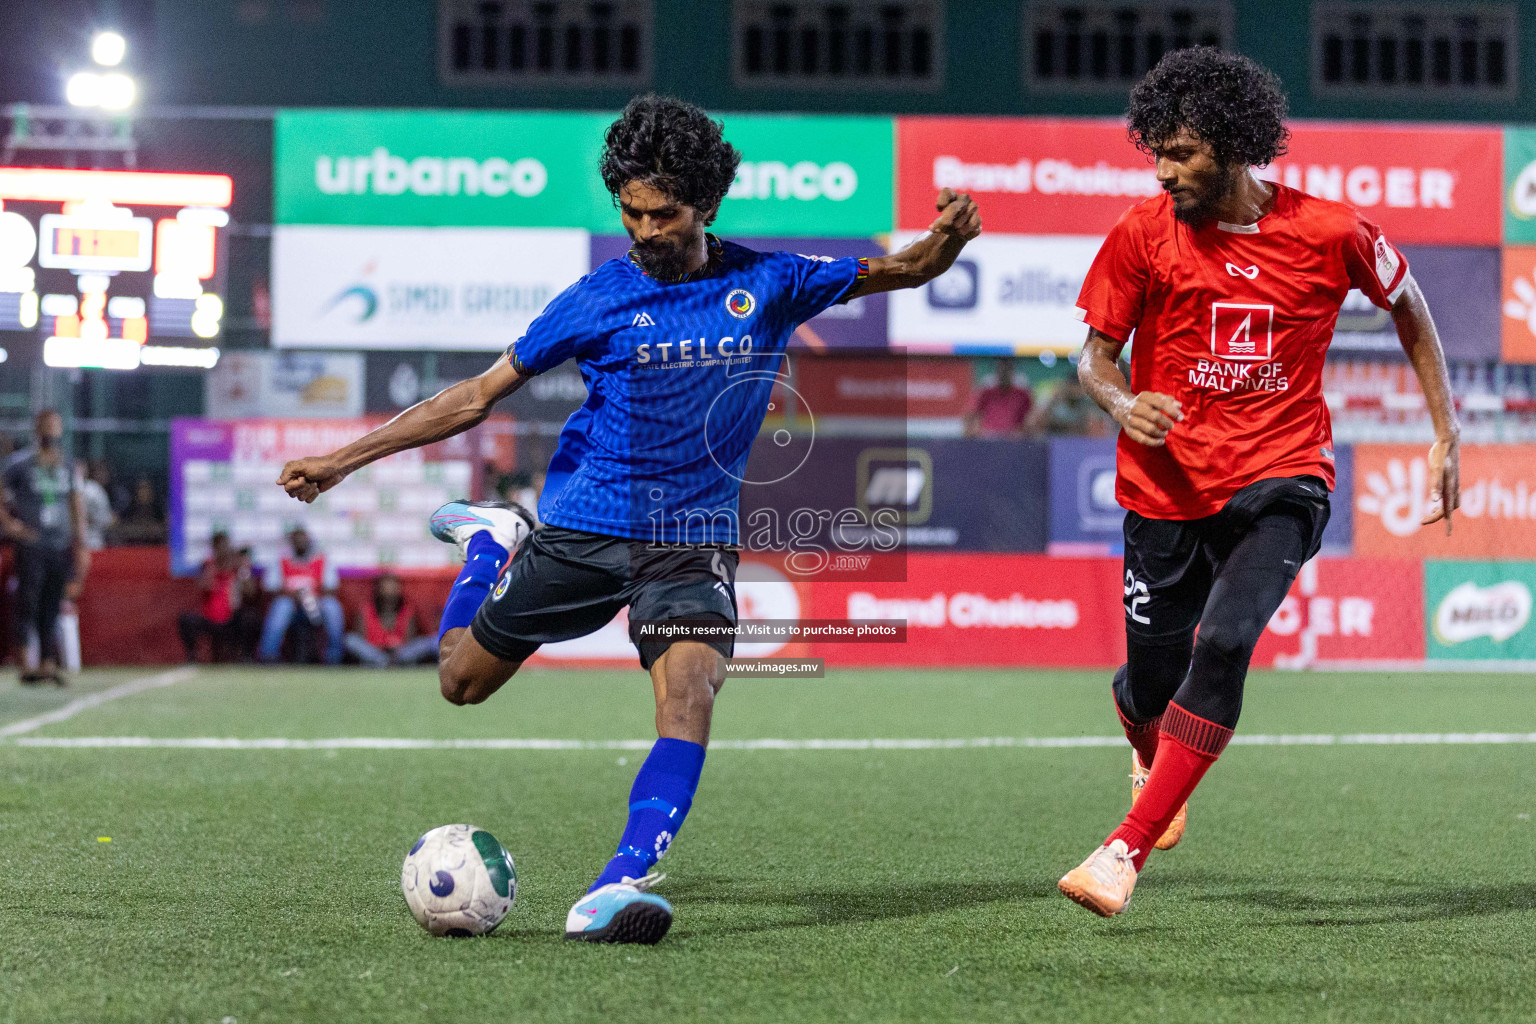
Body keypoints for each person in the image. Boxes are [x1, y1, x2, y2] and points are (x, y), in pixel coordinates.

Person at [276, 94, 980, 945]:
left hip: (687, 541)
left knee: (690, 691)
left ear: (707, 204)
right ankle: (491, 542)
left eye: (664, 213)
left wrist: (946, 242)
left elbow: (900, 271)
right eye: (631, 210)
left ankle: (617, 882)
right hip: (583, 526)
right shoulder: (595, 298)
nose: (644, 229)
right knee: (459, 682)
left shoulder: (771, 281)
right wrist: (342, 461)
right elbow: (473, 397)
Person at [1056, 48, 1460, 917]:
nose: (1164, 172)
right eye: (1155, 153)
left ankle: (1122, 851)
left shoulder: (1332, 231)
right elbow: (1094, 358)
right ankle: (1147, 738)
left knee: (1228, 641)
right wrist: (1122, 405)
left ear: (1236, 147)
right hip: (1163, 489)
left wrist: (1445, 432)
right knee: (1150, 685)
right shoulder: (1139, 232)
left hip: (1283, 477)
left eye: (1182, 154)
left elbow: (1409, 303)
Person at [0, 410, 88, 685]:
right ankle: (26, 664)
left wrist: (81, 541)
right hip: (32, 542)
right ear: (37, 429)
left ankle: (47, 663)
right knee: (28, 601)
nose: (51, 431)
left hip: (59, 543)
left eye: (55, 425)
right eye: (46, 425)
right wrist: (10, 524)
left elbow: (75, 502)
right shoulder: (21, 463)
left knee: (52, 603)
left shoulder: (67, 465)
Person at [257, 526, 344, 664]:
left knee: (332, 606)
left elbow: (332, 589)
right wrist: (293, 595)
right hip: (291, 608)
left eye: (303, 540)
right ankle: (268, 656)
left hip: (315, 606)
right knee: (282, 605)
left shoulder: (321, 560)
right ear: (291, 542)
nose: (300, 543)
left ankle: (334, 658)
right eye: (296, 541)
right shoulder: (281, 560)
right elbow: (270, 589)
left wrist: (311, 595)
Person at [178, 531, 252, 662]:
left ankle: (244, 657)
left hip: (231, 618)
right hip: (209, 618)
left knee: (250, 619)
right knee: (186, 620)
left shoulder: (237, 568)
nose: (224, 550)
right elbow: (205, 587)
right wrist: (215, 567)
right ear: (214, 549)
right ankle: (192, 657)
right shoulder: (208, 566)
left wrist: (242, 570)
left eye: (226, 546)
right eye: (221, 547)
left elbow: (250, 591)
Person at [344, 572, 438, 667]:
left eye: (393, 588)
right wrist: (380, 647)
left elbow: (410, 641)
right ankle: (382, 662)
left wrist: (396, 647)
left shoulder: (407, 611)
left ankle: (393, 663)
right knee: (350, 639)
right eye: (386, 588)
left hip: (399, 653)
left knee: (429, 642)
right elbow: (361, 640)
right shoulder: (365, 610)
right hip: (375, 652)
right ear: (378, 589)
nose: (389, 592)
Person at [963, 356, 1033, 438]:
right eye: (1000, 369)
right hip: (988, 437)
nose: (1004, 373)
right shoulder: (986, 392)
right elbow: (970, 414)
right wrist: (976, 432)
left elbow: (1031, 418)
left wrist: (1023, 432)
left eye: (1007, 369)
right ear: (996, 371)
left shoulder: (1022, 394)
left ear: (1012, 371)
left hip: (1013, 439)